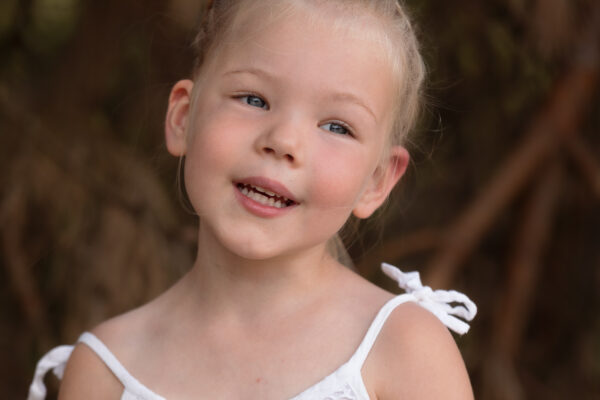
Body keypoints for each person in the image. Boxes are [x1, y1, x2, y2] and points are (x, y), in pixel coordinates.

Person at [28, 0, 477, 399]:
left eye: (337, 126)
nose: (283, 141)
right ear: (184, 116)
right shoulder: (106, 370)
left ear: (376, 180)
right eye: (254, 99)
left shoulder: (402, 348)